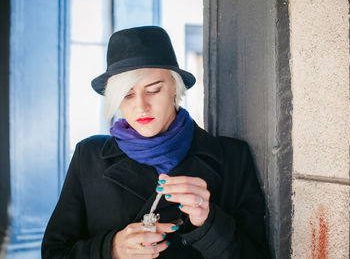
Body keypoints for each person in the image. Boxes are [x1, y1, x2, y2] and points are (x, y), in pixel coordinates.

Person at [41, 26, 268, 259]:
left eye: (153, 90)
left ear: (175, 88)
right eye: (127, 95)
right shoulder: (88, 156)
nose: (141, 106)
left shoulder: (231, 157)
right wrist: (111, 249)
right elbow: (54, 253)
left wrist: (207, 223)